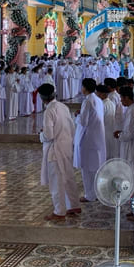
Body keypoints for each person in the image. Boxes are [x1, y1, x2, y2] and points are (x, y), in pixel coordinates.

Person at [38, 83, 81, 220]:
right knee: (68, 176)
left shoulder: (49, 111)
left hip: (55, 149)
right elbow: (71, 126)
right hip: (66, 145)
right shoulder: (63, 106)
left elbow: (49, 135)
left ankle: (59, 211)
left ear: (42, 97)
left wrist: (41, 135)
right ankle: (73, 204)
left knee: (56, 180)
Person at [76, 78, 106, 202]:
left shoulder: (87, 101)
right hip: (97, 137)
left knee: (87, 168)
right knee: (96, 166)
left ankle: (90, 195)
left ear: (85, 88)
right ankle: (97, 193)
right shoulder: (98, 99)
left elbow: (83, 121)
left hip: (88, 138)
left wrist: (77, 116)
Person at [116, 86, 134, 183]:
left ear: (127, 97)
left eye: (121, 98)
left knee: (132, 174)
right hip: (133, 147)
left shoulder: (133, 111)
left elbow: (129, 134)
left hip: (132, 149)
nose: (121, 101)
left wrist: (119, 135)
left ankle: (133, 196)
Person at [97, 84, 118, 159]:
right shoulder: (111, 103)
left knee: (104, 154)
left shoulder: (102, 105)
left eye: (98, 93)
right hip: (111, 129)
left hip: (104, 131)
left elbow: (99, 120)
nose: (97, 95)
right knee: (110, 151)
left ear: (102, 94)